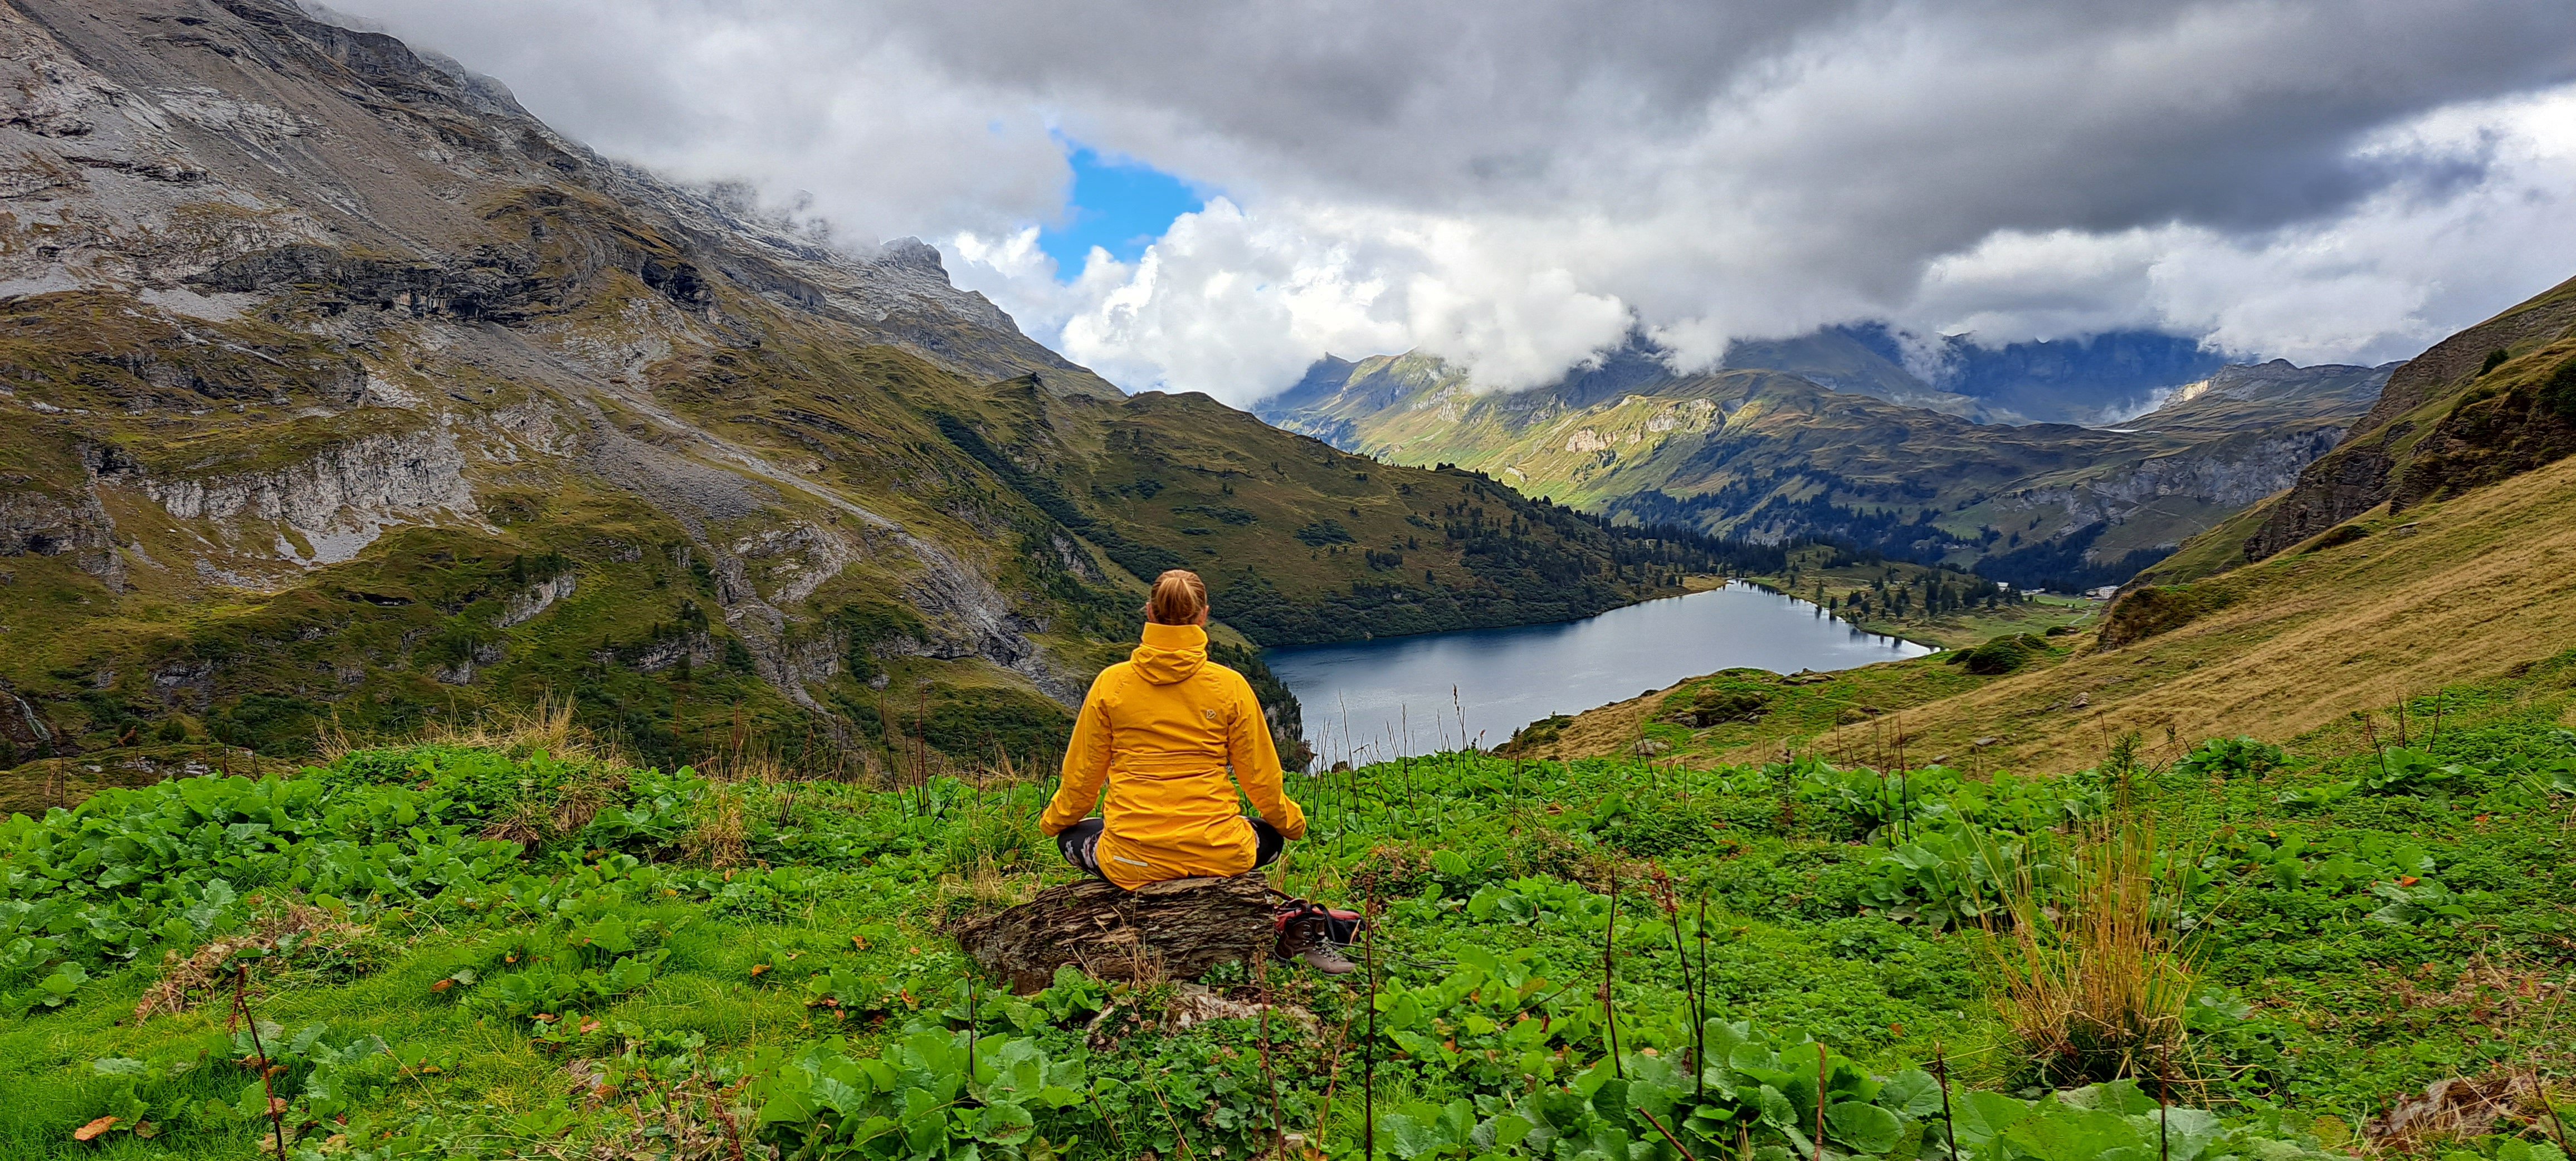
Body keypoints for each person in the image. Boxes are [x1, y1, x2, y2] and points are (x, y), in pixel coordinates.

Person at [1040, 569, 1355, 974]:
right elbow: (1261, 780)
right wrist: (1291, 825)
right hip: (1218, 853)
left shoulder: (1111, 685)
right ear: (1203, 616)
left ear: (1150, 613)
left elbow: (1082, 779)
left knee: (1074, 835)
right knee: (1270, 836)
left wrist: (1054, 823)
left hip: (1132, 860)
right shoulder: (1229, 686)